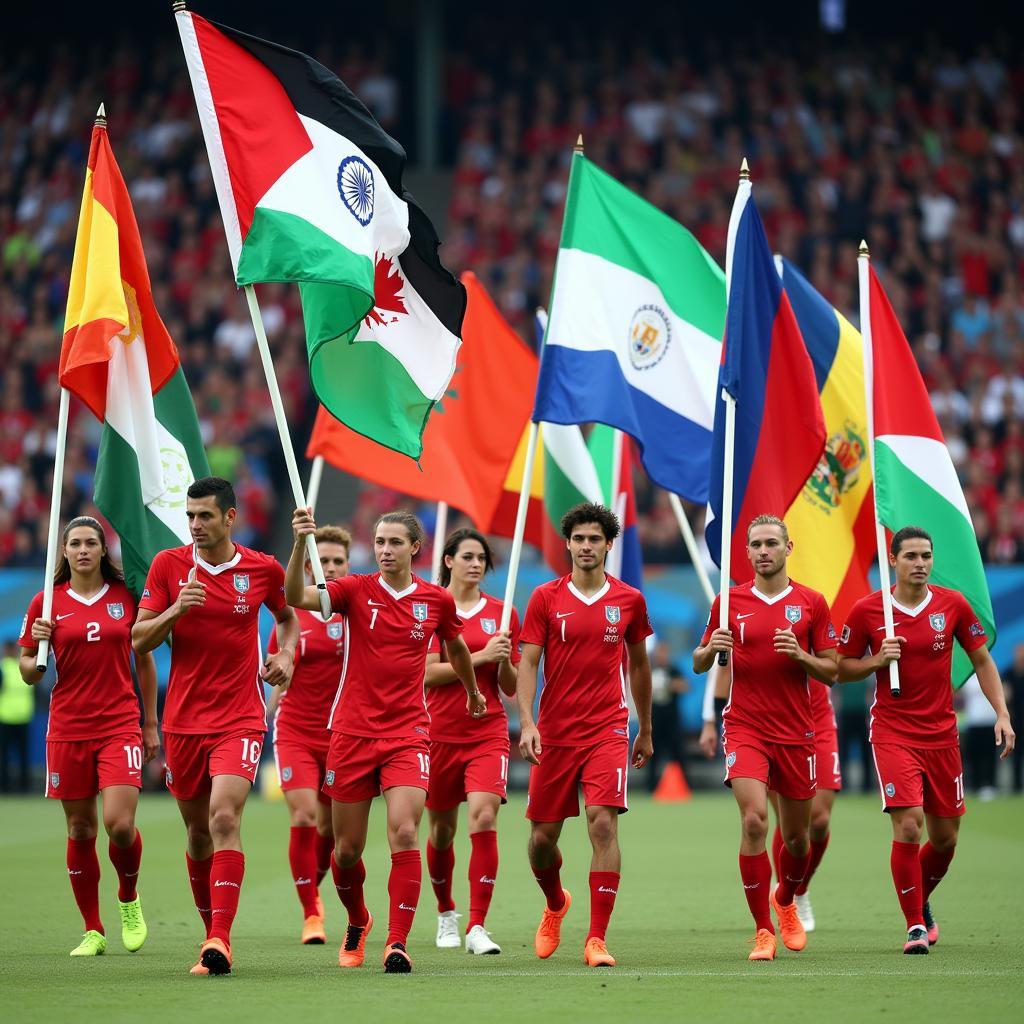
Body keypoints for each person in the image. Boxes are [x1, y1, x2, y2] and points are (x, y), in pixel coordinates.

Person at [286, 507, 483, 975]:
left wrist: (473, 690)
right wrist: (299, 543)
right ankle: (358, 920)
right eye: (379, 542)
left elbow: (455, 647)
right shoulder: (354, 590)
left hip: (408, 734)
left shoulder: (435, 601)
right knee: (346, 851)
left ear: (416, 548)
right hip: (351, 735)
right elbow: (294, 593)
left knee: (405, 831)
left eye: (395, 543)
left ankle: (397, 943)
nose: (385, 550)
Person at [133, 477, 298, 976]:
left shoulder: (261, 568)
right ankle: (211, 932)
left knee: (224, 818)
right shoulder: (168, 567)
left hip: (240, 718)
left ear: (231, 517)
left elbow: (287, 618)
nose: (195, 525)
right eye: (190, 516)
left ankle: (219, 940)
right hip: (183, 721)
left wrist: (286, 654)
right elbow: (140, 638)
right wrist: (176, 609)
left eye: (205, 515)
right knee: (198, 832)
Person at [837, 525, 1015, 954]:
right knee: (910, 823)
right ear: (893, 561)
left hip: (942, 734)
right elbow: (841, 668)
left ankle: (920, 896)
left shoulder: (952, 605)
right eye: (911, 556)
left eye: (926, 555)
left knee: (946, 838)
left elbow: (982, 659)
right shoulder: (868, 610)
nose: (920, 563)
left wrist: (1002, 713)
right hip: (893, 732)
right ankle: (915, 925)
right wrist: (878, 659)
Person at [693, 515, 837, 962]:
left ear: (788, 548)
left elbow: (832, 669)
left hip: (796, 732)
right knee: (755, 820)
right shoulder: (727, 602)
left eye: (771, 543)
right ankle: (762, 931)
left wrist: (802, 656)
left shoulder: (812, 603)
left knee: (798, 840)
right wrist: (710, 649)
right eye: (755, 544)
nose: (763, 551)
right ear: (748, 552)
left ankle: (787, 899)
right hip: (746, 727)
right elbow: (700, 664)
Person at [517, 502, 653, 969]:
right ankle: (556, 902)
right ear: (568, 544)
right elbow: (529, 662)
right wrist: (529, 723)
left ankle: (597, 938)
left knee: (602, 822)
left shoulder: (629, 600)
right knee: (541, 842)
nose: (587, 546)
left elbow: (639, 665)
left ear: (609, 544)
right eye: (579, 539)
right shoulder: (545, 598)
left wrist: (645, 728)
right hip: (554, 731)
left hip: (608, 729)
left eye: (595, 538)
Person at [18, 516, 158, 957]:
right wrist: (36, 651)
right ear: (63, 552)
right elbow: (28, 672)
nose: (82, 550)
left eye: (90, 543)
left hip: (119, 724)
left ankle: (128, 897)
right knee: (80, 828)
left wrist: (150, 722)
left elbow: (145, 661)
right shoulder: (46, 602)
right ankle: (93, 930)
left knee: (120, 824)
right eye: (74, 543)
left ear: (103, 550)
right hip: (68, 728)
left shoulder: (125, 597)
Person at [424, 528, 520, 955]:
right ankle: (446, 913)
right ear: (448, 560)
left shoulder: (502, 614)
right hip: (437, 733)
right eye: (467, 556)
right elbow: (427, 673)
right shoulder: (428, 608)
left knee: (483, 818)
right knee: (441, 831)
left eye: (482, 557)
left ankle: (478, 926)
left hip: (487, 730)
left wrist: (502, 659)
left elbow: (512, 685)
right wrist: (480, 657)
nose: (476, 563)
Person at [266, 525, 352, 945]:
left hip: (344, 734)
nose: (330, 568)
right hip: (297, 730)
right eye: (322, 562)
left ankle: (312, 885)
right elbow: (276, 672)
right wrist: (269, 697)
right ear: (307, 568)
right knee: (304, 816)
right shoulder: (293, 616)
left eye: (338, 561)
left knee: (331, 832)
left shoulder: (357, 612)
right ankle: (311, 913)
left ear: (349, 566)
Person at [768, 678, 841, 932]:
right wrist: (710, 718)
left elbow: (839, 662)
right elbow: (722, 671)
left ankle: (800, 888)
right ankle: (786, 897)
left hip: (817, 718)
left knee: (819, 820)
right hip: (771, 718)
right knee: (788, 820)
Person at [647, 640, 688, 792]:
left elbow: (684, 686)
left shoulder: (673, 670)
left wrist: (668, 684)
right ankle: (650, 787)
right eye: (660, 652)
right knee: (652, 755)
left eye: (665, 652)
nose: (662, 656)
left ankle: (686, 784)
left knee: (678, 753)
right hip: (654, 719)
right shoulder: (649, 670)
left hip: (672, 719)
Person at [1, 638, 34, 793]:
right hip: (12, 717)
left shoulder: (9, 668)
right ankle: (22, 787)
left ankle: (8, 787)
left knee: (7, 756)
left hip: (13, 717)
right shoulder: (22, 667)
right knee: (19, 755)